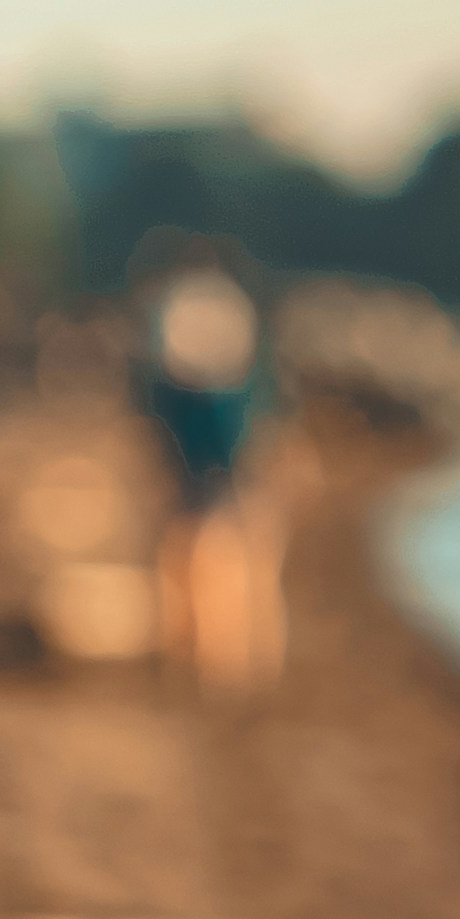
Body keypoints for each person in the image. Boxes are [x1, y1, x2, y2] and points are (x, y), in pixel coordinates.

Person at [135, 247, 287, 693]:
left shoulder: (178, 311)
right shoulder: (225, 309)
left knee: (198, 541)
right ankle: (228, 654)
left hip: (199, 438)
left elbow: (160, 395)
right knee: (229, 543)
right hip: (223, 436)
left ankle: (206, 652)